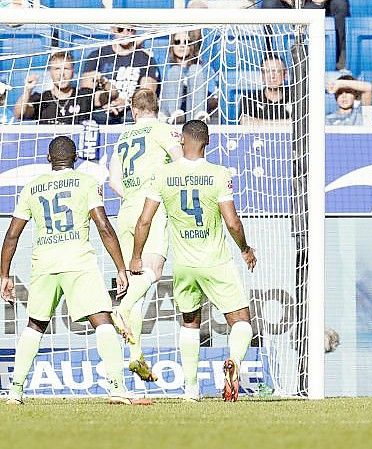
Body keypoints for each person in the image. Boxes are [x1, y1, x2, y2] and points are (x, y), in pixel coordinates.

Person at [0, 136, 136, 405]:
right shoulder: (87, 183)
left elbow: (12, 235)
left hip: (44, 264)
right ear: (75, 159)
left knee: (35, 325)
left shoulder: (32, 187)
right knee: (102, 321)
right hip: (78, 262)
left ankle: (15, 391)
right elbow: (104, 227)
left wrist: (4, 274)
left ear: (49, 159)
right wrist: (121, 268)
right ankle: (118, 388)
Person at [131, 120, 256, 402]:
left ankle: (190, 390)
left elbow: (144, 220)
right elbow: (233, 222)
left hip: (184, 264)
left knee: (190, 322)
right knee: (241, 322)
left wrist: (137, 256)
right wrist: (245, 249)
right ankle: (234, 361)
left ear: (182, 141)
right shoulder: (219, 174)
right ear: (207, 142)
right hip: (216, 261)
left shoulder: (162, 174)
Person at [108, 88, 182, 383]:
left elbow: (112, 179)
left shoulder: (123, 137)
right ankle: (120, 310)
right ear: (156, 108)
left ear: (134, 111)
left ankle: (135, 354)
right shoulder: (163, 130)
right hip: (151, 208)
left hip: (125, 209)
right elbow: (179, 162)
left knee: (135, 284)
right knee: (153, 271)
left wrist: (133, 195)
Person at [80, 25, 160, 125]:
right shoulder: (98, 55)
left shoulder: (145, 59)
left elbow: (148, 94)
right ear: (113, 30)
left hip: (131, 110)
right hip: (102, 108)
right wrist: (108, 102)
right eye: (120, 29)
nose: (125, 33)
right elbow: (85, 94)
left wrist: (126, 103)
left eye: (130, 30)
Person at [262, 0, 350, 70]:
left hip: (315, 4)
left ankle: (341, 62)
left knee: (340, 4)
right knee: (268, 4)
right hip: (288, 3)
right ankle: (270, 60)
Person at [14, 51, 95, 124]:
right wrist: (28, 90)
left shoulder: (84, 96)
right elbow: (19, 115)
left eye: (66, 69)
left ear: (73, 71)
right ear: (50, 72)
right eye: (57, 69)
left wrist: (104, 83)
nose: (61, 74)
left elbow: (105, 99)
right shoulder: (42, 99)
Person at [160, 30, 210, 124]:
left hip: (192, 114)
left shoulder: (203, 68)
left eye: (186, 42)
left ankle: (199, 116)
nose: (182, 45)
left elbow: (212, 97)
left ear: (192, 46)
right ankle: (175, 115)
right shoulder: (164, 66)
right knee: (175, 70)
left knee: (195, 69)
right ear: (172, 45)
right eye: (177, 42)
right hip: (167, 113)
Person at [238, 55, 291, 124]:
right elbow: (245, 122)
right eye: (267, 71)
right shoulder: (249, 98)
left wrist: (259, 122)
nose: (272, 76)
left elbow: (299, 123)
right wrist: (284, 123)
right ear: (262, 75)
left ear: (285, 74)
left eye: (277, 71)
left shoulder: (295, 97)